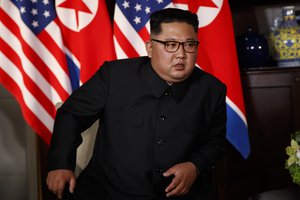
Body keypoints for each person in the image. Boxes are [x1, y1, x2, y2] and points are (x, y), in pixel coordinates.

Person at [46, 8, 227, 200]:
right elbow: (71, 114)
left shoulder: (212, 89)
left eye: (189, 44)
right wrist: (60, 164)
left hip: (179, 194)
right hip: (110, 192)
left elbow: (216, 142)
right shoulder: (114, 76)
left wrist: (195, 166)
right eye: (170, 44)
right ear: (150, 48)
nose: (181, 54)